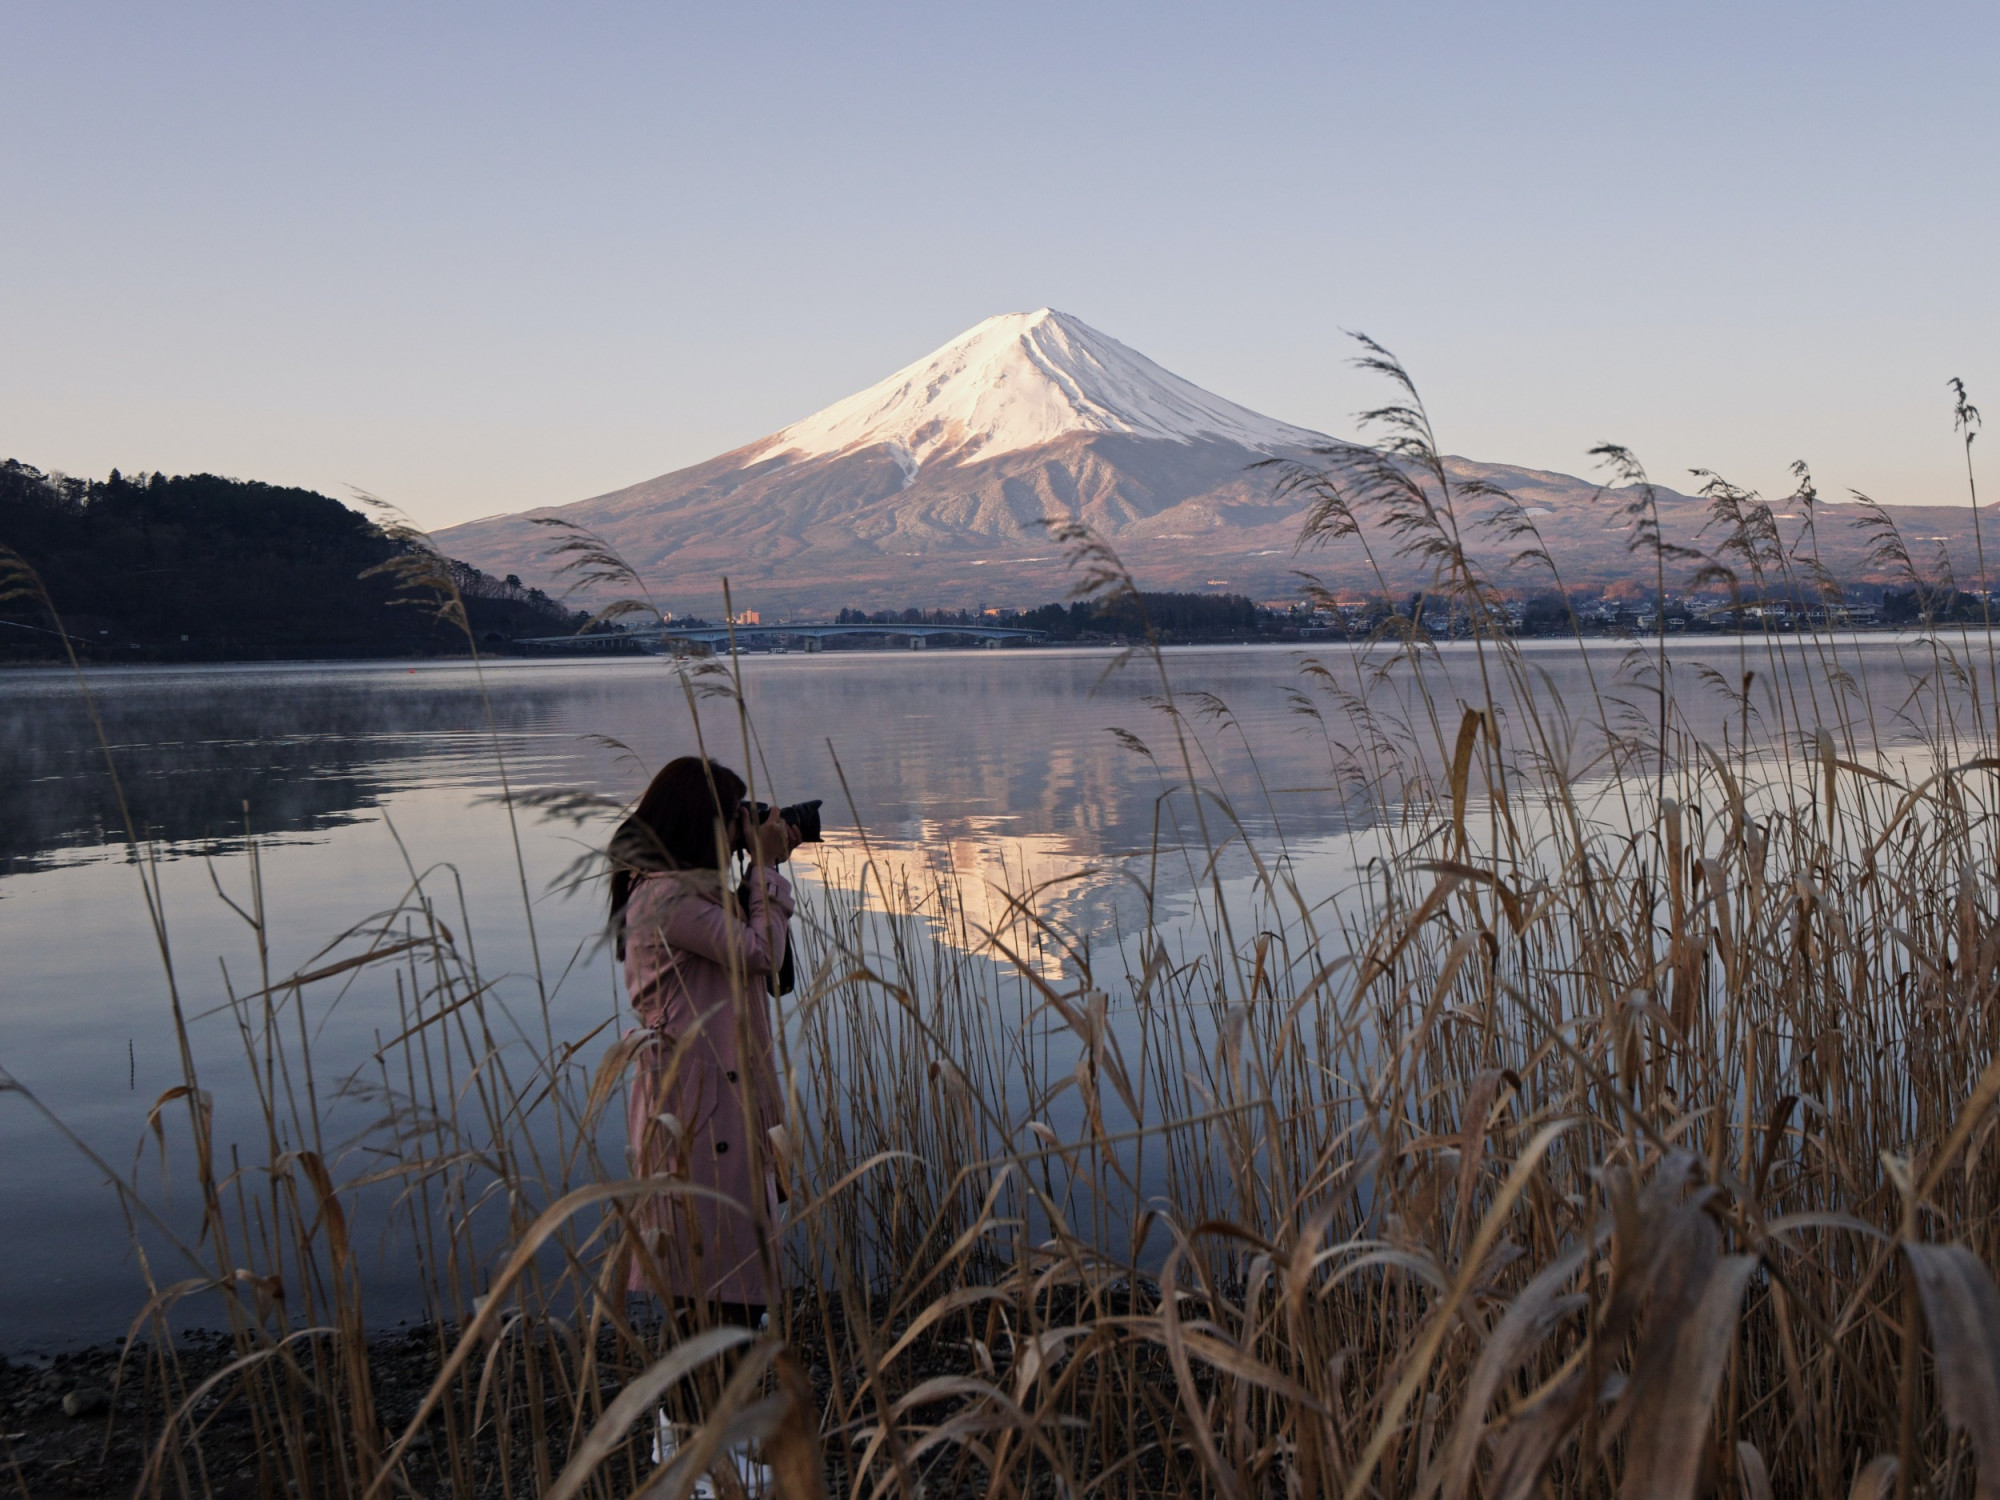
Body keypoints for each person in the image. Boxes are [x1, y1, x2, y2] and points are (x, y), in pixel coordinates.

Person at [608, 755, 803, 1491]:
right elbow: (759, 951)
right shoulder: (665, 901)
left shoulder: (693, 896)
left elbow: (770, 975)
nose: (742, 829)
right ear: (702, 823)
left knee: (726, 1286)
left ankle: (703, 1444)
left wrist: (757, 876)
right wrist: (769, 876)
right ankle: (690, 1460)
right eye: (734, 817)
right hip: (695, 1116)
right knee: (710, 1287)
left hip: (720, 1104)